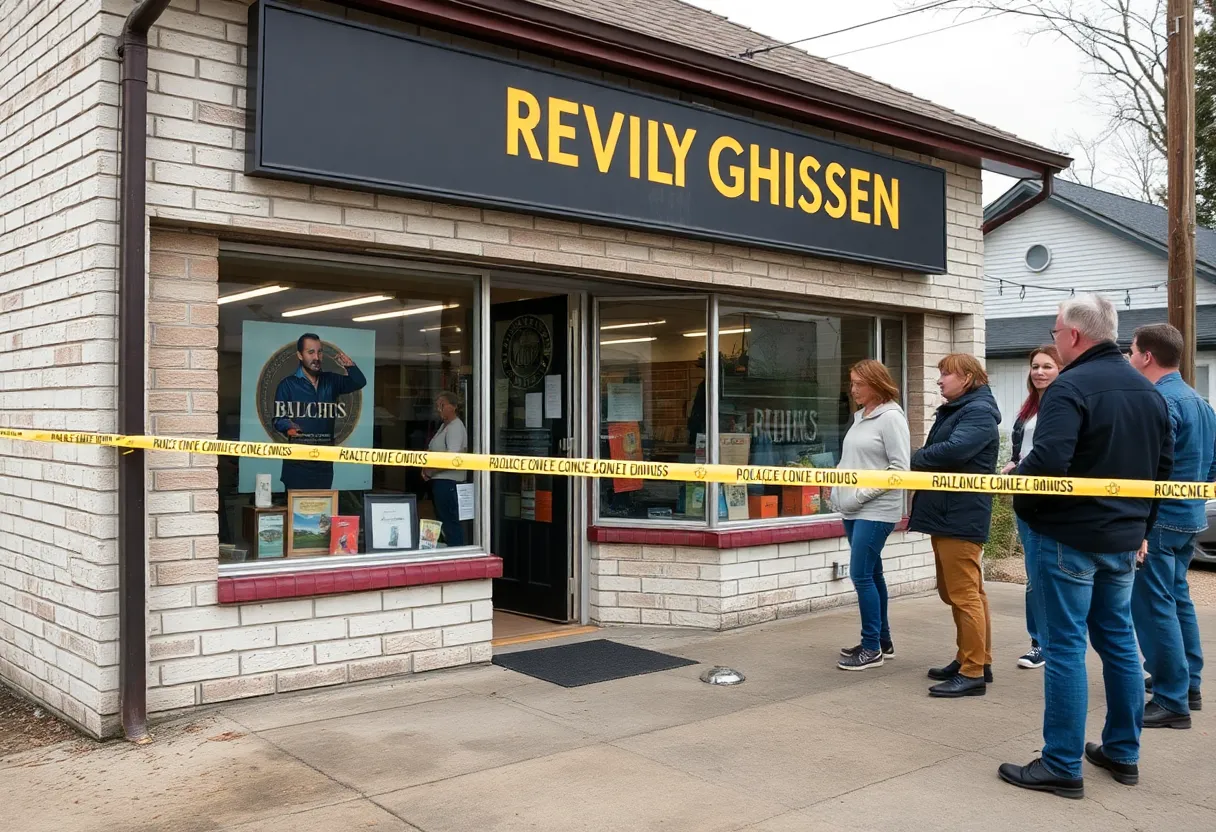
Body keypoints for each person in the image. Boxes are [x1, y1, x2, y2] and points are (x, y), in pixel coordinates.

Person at [999, 294, 1172, 800]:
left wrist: (1015, 481)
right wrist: (1141, 530)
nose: (1054, 339)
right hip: (1122, 540)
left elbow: (1049, 460)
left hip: (1067, 539)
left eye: (1055, 332)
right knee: (1118, 642)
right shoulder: (1148, 391)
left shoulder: (1069, 387)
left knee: (1066, 646)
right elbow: (1163, 472)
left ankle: (1060, 764)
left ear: (1074, 336)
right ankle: (1123, 751)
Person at [1128, 323, 1213, 729]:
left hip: (1161, 520)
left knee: (1153, 604)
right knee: (1177, 599)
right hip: (1190, 516)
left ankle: (1171, 697)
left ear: (1147, 356)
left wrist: (1140, 527)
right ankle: (1188, 684)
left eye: (1131, 351)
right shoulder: (1199, 401)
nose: (1129, 358)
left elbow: (1149, 466)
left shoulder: (1159, 401)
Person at [909, 354, 1001, 698]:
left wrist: (916, 457)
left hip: (960, 514)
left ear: (967, 377)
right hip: (949, 512)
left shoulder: (977, 412)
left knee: (964, 595)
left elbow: (951, 452)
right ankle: (972, 657)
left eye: (945, 374)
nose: (939, 380)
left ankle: (973, 670)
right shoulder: (965, 409)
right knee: (963, 592)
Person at [832, 360, 911, 671]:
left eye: (858, 384)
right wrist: (837, 489)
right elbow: (851, 461)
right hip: (852, 508)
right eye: (851, 383)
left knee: (861, 575)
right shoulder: (861, 417)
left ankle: (870, 648)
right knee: (873, 575)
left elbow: (900, 469)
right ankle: (882, 641)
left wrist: (861, 494)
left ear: (876, 384)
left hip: (876, 509)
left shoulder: (890, 417)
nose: (852, 390)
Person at [1001, 345, 1062, 670]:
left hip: (1052, 501)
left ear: (1061, 370)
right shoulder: (1028, 408)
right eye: (1035, 366)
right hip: (1024, 497)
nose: (1039, 372)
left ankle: (1055, 642)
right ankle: (1038, 642)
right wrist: (1012, 465)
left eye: (1048, 366)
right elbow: (1021, 451)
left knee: (1049, 573)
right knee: (1033, 574)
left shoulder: (1064, 406)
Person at [273, 333, 367, 491]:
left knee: (323, 511)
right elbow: (278, 419)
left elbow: (359, 382)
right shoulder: (287, 385)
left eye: (319, 352)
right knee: (296, 513)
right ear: (300, 355)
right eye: (311, 352)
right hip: (297, 464)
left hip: (324, 463)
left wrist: (350, 366)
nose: (316, 357)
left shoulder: (331, 381)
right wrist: (288, 426)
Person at [423, 391, 468, 546]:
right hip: (439, 482)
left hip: (448, 483)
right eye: (437, 406)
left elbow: (452, 459)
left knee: (450, 524)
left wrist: (429, 471)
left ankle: (456, 556)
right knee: (444, 522)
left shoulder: (455, 427)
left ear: (453, 407)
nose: (438, 409)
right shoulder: (444, 426)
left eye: (442, 405)